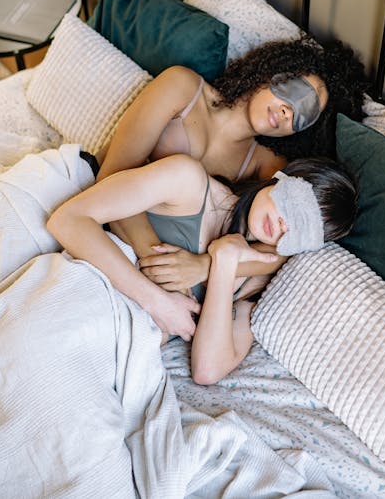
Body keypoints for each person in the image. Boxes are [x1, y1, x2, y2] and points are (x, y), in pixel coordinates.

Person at [47, 154, 356, 384]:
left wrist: (222, 264)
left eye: (303, 229)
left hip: (110, 356)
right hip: (78, 297)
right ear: (282, 177)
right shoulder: (188, 182)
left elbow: (207, 371)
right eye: (295, 205)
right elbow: (66, 220)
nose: (283, 224)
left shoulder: (260, 281)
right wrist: (158, 300)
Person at [96, 36, 369, 295]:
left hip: (146, 254)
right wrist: (159, 269)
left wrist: (203, 266)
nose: (288, 112)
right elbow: (110, 175)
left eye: (302, 118)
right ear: (273, 71)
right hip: (100, 204)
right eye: (293, 92)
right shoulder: (181, 87)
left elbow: (276, 253)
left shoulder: (268, 165)